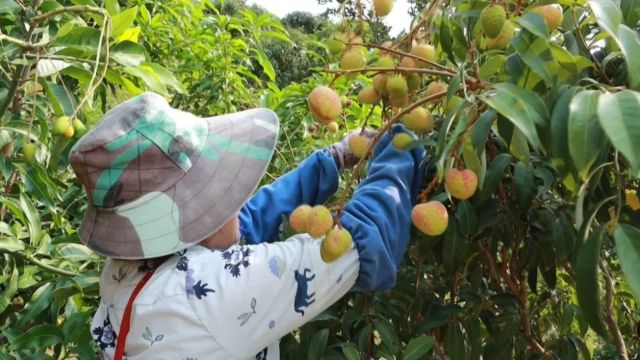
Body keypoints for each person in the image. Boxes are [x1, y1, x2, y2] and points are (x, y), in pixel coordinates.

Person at [69, 92, 425, 359]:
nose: (234, 199)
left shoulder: (129, 268)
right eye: (220, 192)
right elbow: (361, 243)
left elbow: (243, 229)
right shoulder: (209, 297)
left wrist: (333, 160)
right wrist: (398, 145)